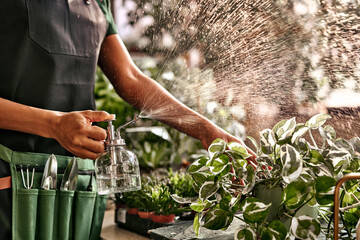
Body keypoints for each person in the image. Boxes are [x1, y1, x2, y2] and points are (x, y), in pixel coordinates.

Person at [0, 0, 254, 238]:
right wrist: (53, 125)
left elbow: (131, 77)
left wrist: (205, 130)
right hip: (11, 181)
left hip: (77, 184)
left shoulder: (96, 3)